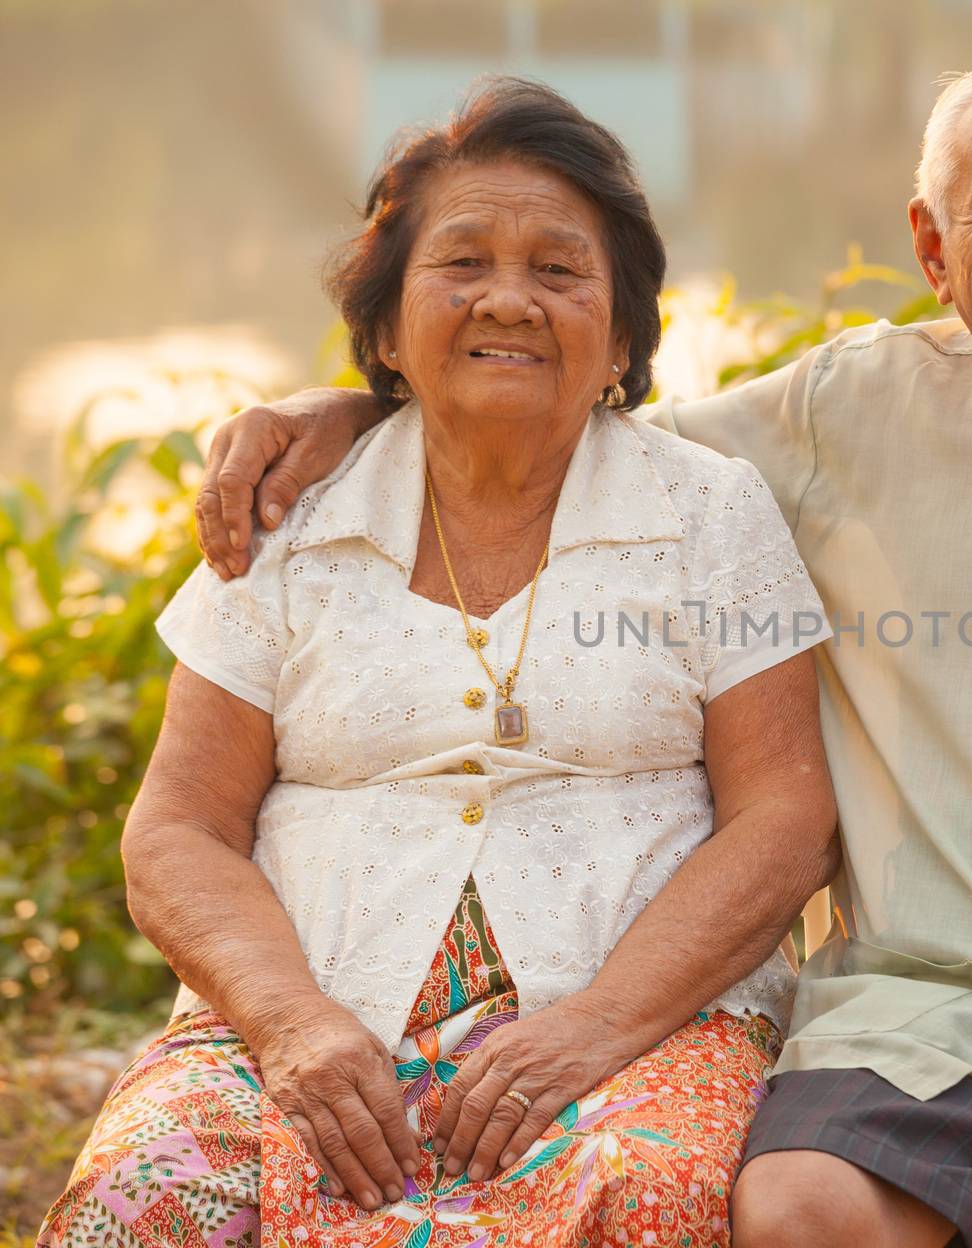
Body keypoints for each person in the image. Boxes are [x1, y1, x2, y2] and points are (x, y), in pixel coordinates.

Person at [192, 48, 972, 1248]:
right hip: (939, 1020)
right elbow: (556, 401)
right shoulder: (842, 414)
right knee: (801, 1212)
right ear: (931, 248)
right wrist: (360, 405)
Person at [40, 78, 839, 1248]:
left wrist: (597, 1027)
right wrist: (291, 1025)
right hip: (300, 1026)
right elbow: (175, 832)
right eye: (461, 264)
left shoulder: (709, 513)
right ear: (383, 330)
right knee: (146, 1201)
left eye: (560, 271)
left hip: (642, 1026)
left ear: (620, 336)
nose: (508, 300)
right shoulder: (287, 519)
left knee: (636, 1193)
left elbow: (785, 819)